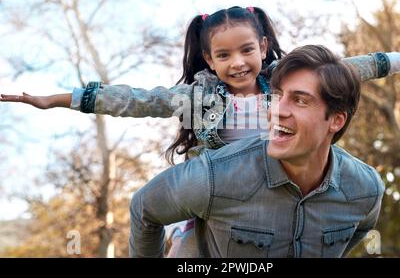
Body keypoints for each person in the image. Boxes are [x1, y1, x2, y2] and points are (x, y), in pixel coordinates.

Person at [0, 6, 400, 256]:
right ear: (210, 60)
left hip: (281, 186)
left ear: (263, 48)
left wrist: (399, 58)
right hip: (218, 197)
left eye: (247, 50)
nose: (238, 63)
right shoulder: (197, 97)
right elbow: (134, 99)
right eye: (224, 55)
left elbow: (347, 69)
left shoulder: (283, 84)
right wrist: (59, 99)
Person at [129, 44, 385, 258]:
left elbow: (359, 230)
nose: (277, 110)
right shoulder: (214, 176)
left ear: (336, 120)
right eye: (277, 95)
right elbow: (145, 208)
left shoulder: (366, 189)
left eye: (299, 100)